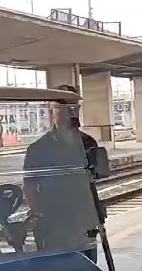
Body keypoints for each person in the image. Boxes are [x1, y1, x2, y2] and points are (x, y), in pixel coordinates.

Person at [22, 84, 99, 262]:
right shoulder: (39, 148)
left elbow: (94, 178)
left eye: (72, 106)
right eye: (61, 107)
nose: (68, 112)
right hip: (54, 222)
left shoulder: (88, 143)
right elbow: (29, 186)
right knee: (57, 268)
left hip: (83, 220)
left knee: (87, 266)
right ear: (52, 111)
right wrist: (41, 214)